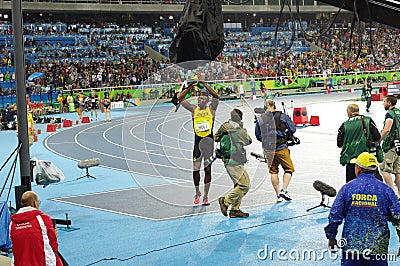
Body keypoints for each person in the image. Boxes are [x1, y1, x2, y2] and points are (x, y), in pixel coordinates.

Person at [325, 152, 400, 265]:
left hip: (352, 246)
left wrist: (331, 237)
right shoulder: (386, 190)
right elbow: (398, 217)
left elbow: (335, 215)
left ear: (358, 168)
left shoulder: (347, 188)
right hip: (377, 247)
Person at [179, 80, 219, 205]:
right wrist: (191, 86)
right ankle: (197, 193)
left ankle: (206, 196)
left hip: (208, 143)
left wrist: (205, 84)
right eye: (198, 99)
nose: (198, 100)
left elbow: (216, 96)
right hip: (197, 143)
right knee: (196, 170)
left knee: (207, 170)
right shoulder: (193, 109)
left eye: (201, 99)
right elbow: (180, 98)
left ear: (206, 101)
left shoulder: (211, 109)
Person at [255, 99, 296, 202]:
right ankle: (284, 190)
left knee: (273, 171)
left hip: (268, 150)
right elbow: (292, 129)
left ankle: (278, 195)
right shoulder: (281, 116)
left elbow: (258, 135)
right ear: (274, 106)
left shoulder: (261, 119)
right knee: (288, 169)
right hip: (281, 147)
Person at [215, 109, 252, 218]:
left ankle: (235, 210)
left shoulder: (224, 126)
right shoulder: (241, 131)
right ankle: (225, 201)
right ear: (241, 118)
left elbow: (216, 137)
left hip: (226, 160)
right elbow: (248, 141)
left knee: (238, 185)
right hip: (235, 161)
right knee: (245, 184)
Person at [10, 191, 63, 266]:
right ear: (35, 203)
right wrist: (55, 235)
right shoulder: (43, 219)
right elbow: (53, 245)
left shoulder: (12, 223)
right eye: (38, 202)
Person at [337, 104, 381, 183]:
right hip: (367, 159)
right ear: (358, 111)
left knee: (352, 186)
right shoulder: (367, 120)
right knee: (372, 184)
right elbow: (377, 137)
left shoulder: (344, 125)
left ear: (349, 113)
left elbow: (339, 143)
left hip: (351, 160)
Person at [380, 95, 400, 196]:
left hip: (391, 146)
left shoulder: (390, 114)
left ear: (389, 103)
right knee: (398, 171)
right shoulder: (399, 112)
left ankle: (392, 194)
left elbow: (387, 128)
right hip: (399, 145)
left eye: (384, 102)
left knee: (384, 170)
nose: (383, 103)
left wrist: (379, 139)